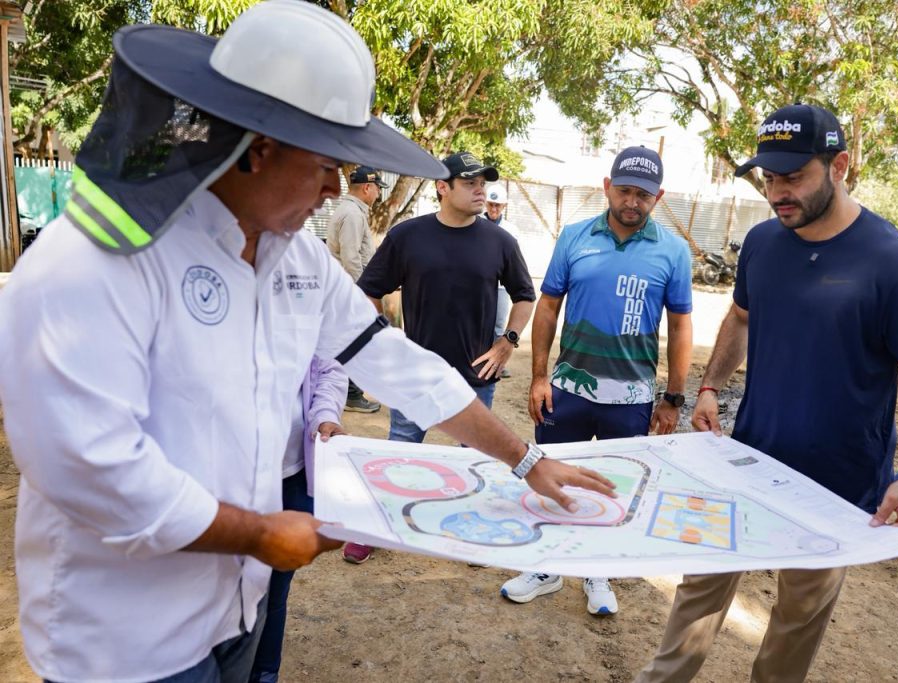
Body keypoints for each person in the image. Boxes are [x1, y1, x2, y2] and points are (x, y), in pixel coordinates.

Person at [0, 5, 615, 682]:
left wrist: (524, 459)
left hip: (237, 611)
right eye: (327, 165)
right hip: (125, 642)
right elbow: (91, 468)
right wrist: (261, 533)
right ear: (255, 148)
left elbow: (397, 363)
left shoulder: (298, 258)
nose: (334, 190)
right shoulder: (94, 261)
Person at [634, 104, 898, 682]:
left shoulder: (895, 262)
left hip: (835, 487)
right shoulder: (763, 242)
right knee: (698, 595)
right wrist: (710, 386)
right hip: (745, 462)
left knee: (796, 622)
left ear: (840, 166)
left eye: (793, 177)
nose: (778, 192)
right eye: (769, 178)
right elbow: (739, 318)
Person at [501, 145, 694, 617]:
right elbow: (548, 307)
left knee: (613, 483)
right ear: (607, 187)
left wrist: (672, 398)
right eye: (624, 190)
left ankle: (596, 569)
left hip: (630, 398)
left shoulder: (673, 250)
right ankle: (544, 566)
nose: (632, 202)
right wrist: (539, 376)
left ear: (658, 196)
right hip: (568, 388)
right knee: (549, 472)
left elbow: (681, 325)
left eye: (643, 195)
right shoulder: (573, 237)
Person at [358, 151, 536, 441]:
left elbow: (525, 296)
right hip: (415, 377)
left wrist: (508, 341)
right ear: (443, 187)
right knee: (403, 459)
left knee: (476, 463)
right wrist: (386, 341)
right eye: (470, 183)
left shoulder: (501, 242)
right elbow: (368, 291)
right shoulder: (406, 236)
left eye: (482, 183)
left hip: (476, 378)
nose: (481, 190)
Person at [250, 356, 347, 683]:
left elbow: (329, 367)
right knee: (226, 590)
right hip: (234, 481)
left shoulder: (309, 307)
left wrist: (325, 416)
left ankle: (266, 673)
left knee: (277, 586)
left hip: (292, 473)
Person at [326, 165, 390, 414]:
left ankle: (350, 392)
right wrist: (362, 293)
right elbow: (351, 258)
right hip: (349, 290)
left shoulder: (352, 211)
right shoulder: (352, 215)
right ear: (367, 188)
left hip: (345, 288)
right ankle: (351, 394)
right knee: (354, 341)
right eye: (377, 189)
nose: (378, 194)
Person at [484, 182, 520, 377]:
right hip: (479, 285)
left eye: (498, 205)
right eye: (491, 204)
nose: (494, 208)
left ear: (504, 206)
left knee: (499, 325)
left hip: (501, 286)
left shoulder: (511, 230)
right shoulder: (475, 224)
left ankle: (497, 363)